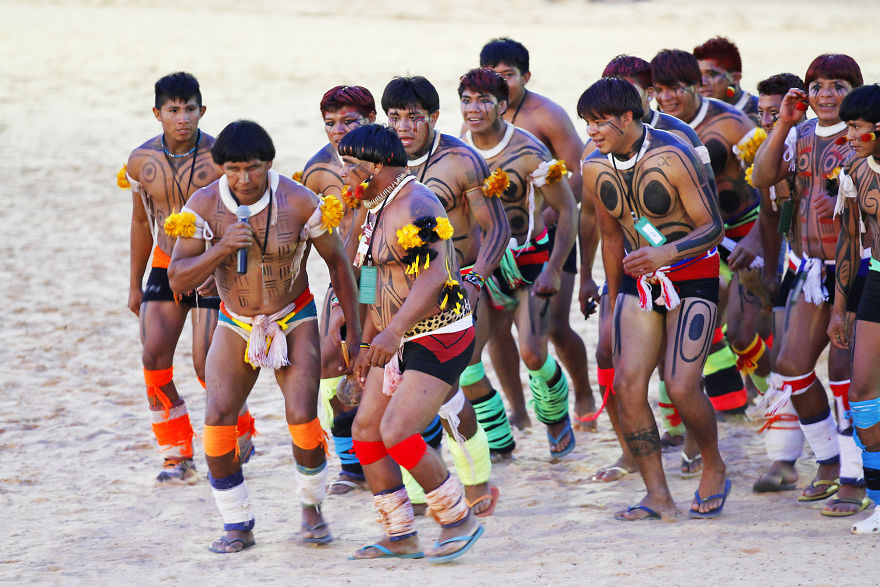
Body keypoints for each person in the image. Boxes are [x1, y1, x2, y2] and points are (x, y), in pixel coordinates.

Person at [167, 120, 361, 553]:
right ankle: (237, 525)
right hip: (235, 321)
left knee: (302, 418)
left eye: (253, 168)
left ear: (269, 164)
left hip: (294, 316)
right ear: (220, 168)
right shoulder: (200, 206)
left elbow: (340, 265)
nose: (244, 179)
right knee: (218, 418)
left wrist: (355, 331)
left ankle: (312, 511)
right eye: (234, 169)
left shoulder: (298, 200)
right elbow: (177, 279)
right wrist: (219, 249)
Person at [580, 77, 728, 520]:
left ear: (628, 117)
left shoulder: (673, 155)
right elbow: (610, 238)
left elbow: (713, 227)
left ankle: (714, 466)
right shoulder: (594, 166)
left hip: (692, 274)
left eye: (600, 122)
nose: (592, 132)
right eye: (586, 123)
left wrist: (667, 252)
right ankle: (657, 494)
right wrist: (609, 303)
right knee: (627, 386)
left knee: (681, 385)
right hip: (638, 280)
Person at [341, 124, 484, 562]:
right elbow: (369, 279)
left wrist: (392, 332)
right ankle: (401, 533)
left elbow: (436, 275)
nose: (344, 176)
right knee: (365, 431)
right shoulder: (374, 207)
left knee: (398, 432)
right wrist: (366, 344)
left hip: (439, 336)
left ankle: (458, 519)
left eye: (351, 167)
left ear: (377, 168)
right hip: (395, 338)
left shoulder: (416, 202)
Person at [382, 75, 509, 513]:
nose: (404, 126)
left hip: (456, 292)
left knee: (450, 391)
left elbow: (497, 228)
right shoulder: (381, 164)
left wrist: (475, 281)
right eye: (395, 117)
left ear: (434, 117)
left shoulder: (460, 160)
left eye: (414, 117)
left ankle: (474, 483)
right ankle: (425, 492)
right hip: (399, 302)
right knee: (406, 397)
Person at [122, 72, 255, 484]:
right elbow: (142, 221)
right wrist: (135, 282)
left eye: (191, 109)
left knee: (205, 364)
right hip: (165, 261)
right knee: (154, 358)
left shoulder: (220, 155)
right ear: (157, 113)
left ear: (202, 111)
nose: (183, 118)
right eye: (173, 110)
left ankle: (239, 427)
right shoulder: (141, 161)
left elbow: (245, 214)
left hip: (212, 266)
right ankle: (176, 454)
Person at [752, 54, 867, 515]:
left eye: (837, 85)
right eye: (817, 85)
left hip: (856, 270)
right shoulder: (797, 134)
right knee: (792, 366)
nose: (825, 95)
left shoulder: (864, 138)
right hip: (812, 270)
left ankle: (855, 477)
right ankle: (826, 459)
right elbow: (762, 178)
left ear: (854, 92)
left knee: (846, 375)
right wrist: (782, 123)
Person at [459, 67, 579, 459]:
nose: (473, 108)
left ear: (502, 105)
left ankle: (556, 418)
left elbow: (567, 210)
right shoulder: (459, 148)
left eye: (483, 100)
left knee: (533, 353)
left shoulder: (529, 152)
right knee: (467, 364)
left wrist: (553, 269)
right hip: (484, 267)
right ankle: (498, 439)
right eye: (466, 100)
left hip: (530, 263)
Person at [478, 38, 597, 427]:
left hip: (551, 238)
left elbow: (581, 172)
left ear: (526, 76)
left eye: (508, 76)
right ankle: (518, 409)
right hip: (502, 248)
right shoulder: (476, 119)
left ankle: (581, 392)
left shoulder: (548, 115)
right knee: (499, 334)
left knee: (555, 329)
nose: (502, 83)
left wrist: (546, 212)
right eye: (494, 76)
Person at [652, 49, 762, 422]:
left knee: (736, 320)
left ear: (697, 85)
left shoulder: (732, 123)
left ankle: (773, 394)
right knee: (697, 316)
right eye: (659, 90)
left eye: (675, 89)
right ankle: (729, 405)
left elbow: (777, 182)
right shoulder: (655, 129)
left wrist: (758, 239)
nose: (666, 98)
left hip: (745, 230)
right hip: (696, 238)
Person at [301, 85, 376, 495]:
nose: (338, 130)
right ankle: (351, 466)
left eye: (349, 121)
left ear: (371, 119)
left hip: (383, 275)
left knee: (384, 362)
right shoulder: (316, 172)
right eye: (330, 123)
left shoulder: (388, 159)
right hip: (345, 276)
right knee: (331, 360)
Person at [749, 73, 809, 493]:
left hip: (837, 267)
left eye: (777, 112)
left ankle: (846, 465)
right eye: (763, 113)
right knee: (782, 360)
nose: (769, 120)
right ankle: (784, 459)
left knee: (845, 371)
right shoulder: (766, 156)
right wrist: (771, 274)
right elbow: (770, 220)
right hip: (793, 266)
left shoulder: (817, 147)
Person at [828, 83, 880, 532]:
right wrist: (839, 307)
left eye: (857, 127)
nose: (847, 135)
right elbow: (849, 241)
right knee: (862, 394)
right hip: (876, 280)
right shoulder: (856, 172)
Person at [693, 36, 760, 124]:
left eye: (712, 74)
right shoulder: (690, 112)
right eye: (698, 74)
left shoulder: (762, 114)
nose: (702, 82)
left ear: (735, 78)